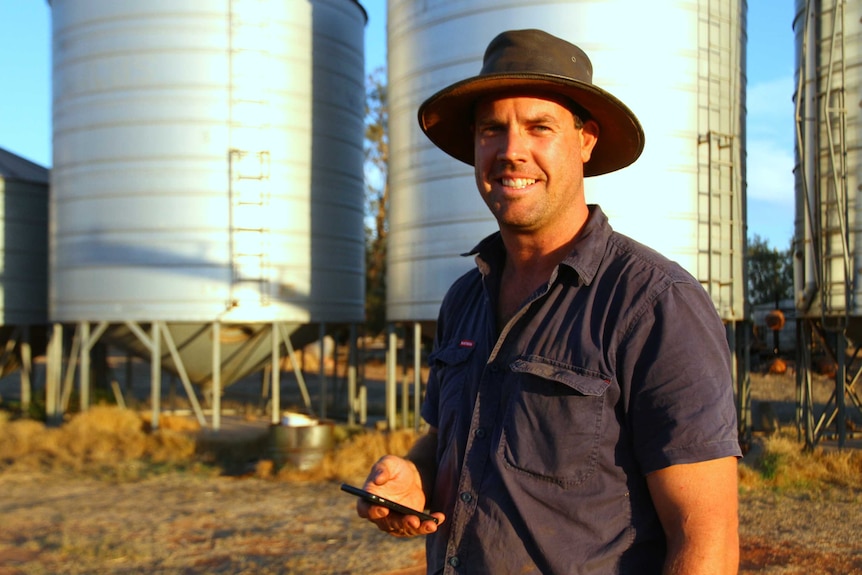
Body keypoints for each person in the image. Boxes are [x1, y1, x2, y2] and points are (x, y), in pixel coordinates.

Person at [356, 28, 742, 574]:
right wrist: (414, 477)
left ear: (585, 141)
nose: (512, 152)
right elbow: (449, 442)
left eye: (540, 127)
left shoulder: (655, 304)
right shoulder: (465, 298)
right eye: (492, 129)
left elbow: (706, 542)